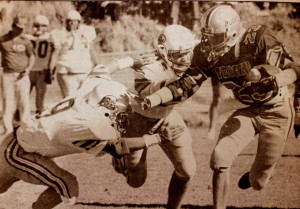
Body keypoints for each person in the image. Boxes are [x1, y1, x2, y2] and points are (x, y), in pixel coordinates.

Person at [138, 5, 300, 209]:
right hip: (248, 110)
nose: (208, 42)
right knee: (220, 159)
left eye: (214, 37)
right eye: (206, 36)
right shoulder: (207, 53)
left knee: (258, 183)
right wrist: (155, 98)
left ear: (232, 32)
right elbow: (186, 85)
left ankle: (255, 175)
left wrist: (277, 80)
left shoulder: (257, 39)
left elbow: (295, 69)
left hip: (276, 112)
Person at [0, 55, 174, 209]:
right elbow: (117, 147)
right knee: (68, 187)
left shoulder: (97, 89)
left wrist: (131, 61)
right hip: (18, 152)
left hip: (20, 140)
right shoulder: (93, 122)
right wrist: (157, 138)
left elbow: (103, 69)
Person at [112, 24, 199, 209]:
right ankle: (120, 159)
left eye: (187, 53)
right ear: (164, 52)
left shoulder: (188, 57)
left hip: (166, 117)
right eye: (178, 54)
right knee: (136, 181)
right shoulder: (147, 66)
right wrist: (182, 82)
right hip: (138, 119)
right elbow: (157, 94)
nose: (185, 58)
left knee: (187, 170)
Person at [0, 13, 35, 136]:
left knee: (24, 101)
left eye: (23, 27)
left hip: (22, 75)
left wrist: (28, 69)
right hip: (7, 75)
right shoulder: (3, 39)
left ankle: (25, 127)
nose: (21, 29)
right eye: (19, 27)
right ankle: (7, 129)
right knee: (7, 102)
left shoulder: (25, 41)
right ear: (13, 26)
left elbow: (32, 56)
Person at [49, 9, 97, 98]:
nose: (71, 23)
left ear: (79, 22)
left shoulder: (87, 31)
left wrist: (98, 65)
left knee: (84, 99)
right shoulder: (59, 33)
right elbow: (55, 53)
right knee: (69, 99)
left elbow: (92, 49)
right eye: (69, 21)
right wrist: (50, 70)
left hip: (84, 72)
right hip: (66, 72)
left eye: (74, 21)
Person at [23, 15, 54, 115]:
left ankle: (38, 114)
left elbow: (55, 55)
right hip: (28, 70)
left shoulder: (50, 37)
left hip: (42, 71)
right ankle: (19, 115)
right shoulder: (28, 37)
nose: (40, 28)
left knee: (40, 96)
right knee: (24, 94)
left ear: (47, 26)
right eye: (37, 25)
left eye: (43, 26)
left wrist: (51, 71)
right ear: (33, 26)